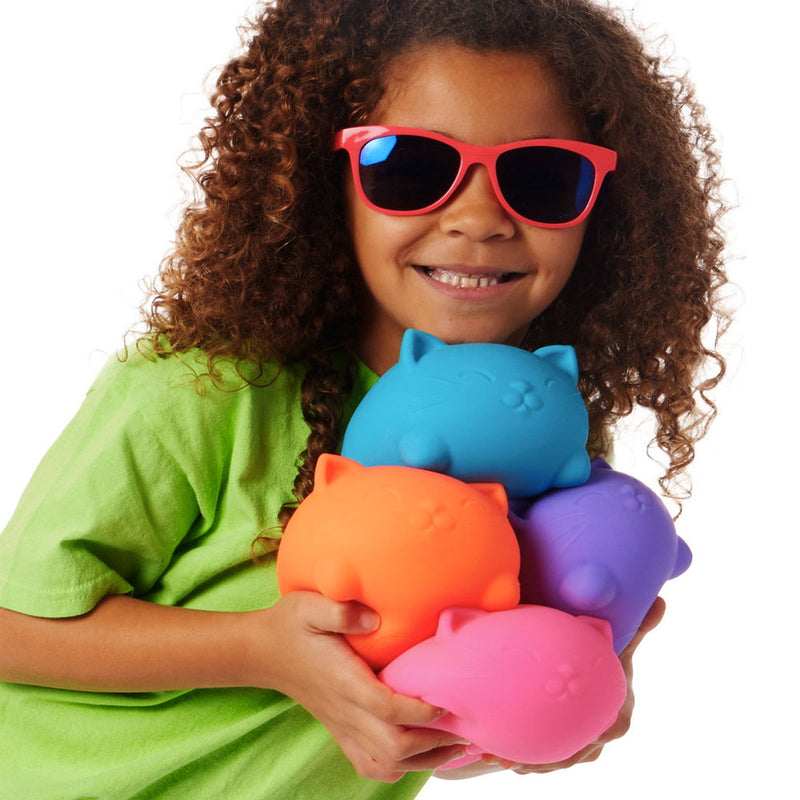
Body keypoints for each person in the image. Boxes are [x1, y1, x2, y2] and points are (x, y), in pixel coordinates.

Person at [0, 0, 729, 797]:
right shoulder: (204, 389)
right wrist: (259, 651)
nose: (480, 220)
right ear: (325, 184)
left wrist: (563, 699)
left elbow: (449, 699)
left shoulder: (548, 450)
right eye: (411, 168)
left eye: (543, 179)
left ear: (606, 211)